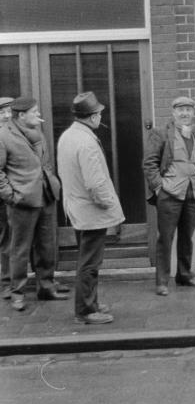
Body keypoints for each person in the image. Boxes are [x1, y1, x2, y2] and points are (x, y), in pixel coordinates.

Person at [57, 91, 125, 326]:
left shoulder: (68, 136)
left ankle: (90, 302)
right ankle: (85, 310)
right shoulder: (86, 142)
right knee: (90, 263)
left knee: (86, 260)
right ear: (93, 116)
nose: (100, 116)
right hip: (91, 212)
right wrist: (109, 203)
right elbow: (95, 184)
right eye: (99, 113)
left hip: (77, 208)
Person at [0, 96, 68, 312]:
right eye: (34, 112)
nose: (38, 115)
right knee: (19, 249)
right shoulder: (3, 136)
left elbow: (44, 162)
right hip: (22, 201)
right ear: (21, 115)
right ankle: (17, 293)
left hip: (45, 196)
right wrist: (11, 196)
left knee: (46, 246)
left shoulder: (37, 131)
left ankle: (46, 287)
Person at [143, 95, 195, 296]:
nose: (185, 113)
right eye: (180, 110)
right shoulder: (161, 134)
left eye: (188, 110)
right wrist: (158, 188)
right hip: (170, 194)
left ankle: (184, 275)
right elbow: (149, 163)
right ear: (173, 113)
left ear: (193, 113)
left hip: (193, 194)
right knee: (166, 238)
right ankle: (162, 281)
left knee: (187, 237)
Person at [0, 97, 14, 299]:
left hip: (18, 194)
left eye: (10, 111)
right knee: (6, 238)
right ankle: (7, 282)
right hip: (5, 197)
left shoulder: (15, 133)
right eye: (2, 112)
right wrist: (7, 193)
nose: (6, 116)